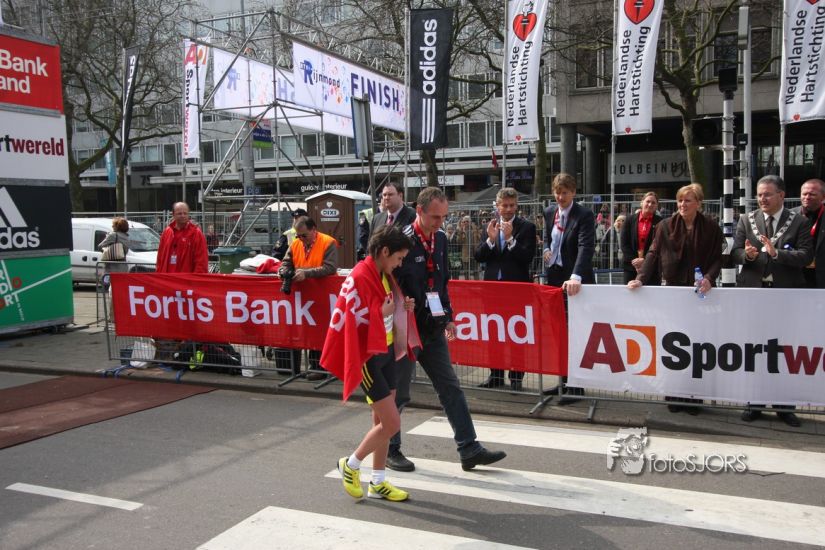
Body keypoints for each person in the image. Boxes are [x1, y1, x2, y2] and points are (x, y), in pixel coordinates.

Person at [387, 186, 507, 473]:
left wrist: (448, 316)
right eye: (435, 217)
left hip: (432, 327)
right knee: (398, 393)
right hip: (406, 329)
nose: (440, 223)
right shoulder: (401, 240)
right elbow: (387, 281)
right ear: (419, 211)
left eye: (443, 217)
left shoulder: (440, 239)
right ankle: (390, 448)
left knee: (451, 387)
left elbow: (441, 282)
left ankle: (469, 448)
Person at [321, 226, 419, 502]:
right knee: (392, 422)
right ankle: (351, 464)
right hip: (368, 356)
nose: (400, 264)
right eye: (398, 258)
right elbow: (353, 317)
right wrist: (381, 312)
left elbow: (385, 306)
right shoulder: (360, 275)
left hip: (386, 350)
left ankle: (377, 482)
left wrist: (401, 307)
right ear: (385, 251)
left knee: (381, 422)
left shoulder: (381, 273)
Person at [628, 183, 722, 415]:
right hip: (673, 292)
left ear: (698, 203)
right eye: (680, 200)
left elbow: (718, 258)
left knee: (697, 345)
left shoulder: (711, 227)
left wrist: (709, 278)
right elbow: (653, 254)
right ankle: (673, 393)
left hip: (699, 294)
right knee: (673, 344)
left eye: (687, 200)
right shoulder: (665, 226)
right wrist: (640, 279)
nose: (682, 204)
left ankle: (694, 397)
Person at [732, 175, 813, 427]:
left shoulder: (799, 221)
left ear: (781, 195)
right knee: (755, 349)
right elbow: (734, 252)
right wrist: (747, 255)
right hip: (754, 294)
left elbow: (805, 256)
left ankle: (784, 406)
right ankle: (754, 402)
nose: (762, 199)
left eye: (767, 194)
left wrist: (778, 254)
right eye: (759, 195)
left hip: (785, 295)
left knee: (784, 350)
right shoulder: (746, 219)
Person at [474, 187, 537, 391]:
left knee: (517, 334)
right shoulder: (489, 226)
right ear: (498, 206)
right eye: (505, 206)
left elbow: (527, 257)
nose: (508, 209)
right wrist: (491, 240)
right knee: (494, 333)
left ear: (516, 206)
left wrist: (510, 240)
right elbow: (479, 256)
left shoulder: (527, 227)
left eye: (512, 205)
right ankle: (496, 375)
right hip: (493, 290)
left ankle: (516, 377)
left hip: (516, 291)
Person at [542, 173, 595, 404]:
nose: (560, 197)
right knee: (558, 333)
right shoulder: (549, 212)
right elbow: (548, 237)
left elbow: (586, 246)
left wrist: (576, 276)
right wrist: (546, 248)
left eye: (565, 192)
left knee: (576, 332)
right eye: (557, 192)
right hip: (554, 278)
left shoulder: (584, 214)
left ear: (573, 192)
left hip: (574, 280)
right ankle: (563, 381)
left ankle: (577, 386)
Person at [279, 216, 339, 381]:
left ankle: (323, 367)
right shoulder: (296, 244)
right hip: (305, 297)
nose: (301, 239)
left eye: (304, 235)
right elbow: (286, 262)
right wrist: (283, 271)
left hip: (323, 295)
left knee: (322, 332)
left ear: (313, 230)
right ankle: (315, 366)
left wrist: (307, 274)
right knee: (310, 331)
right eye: (298, 236)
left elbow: (330, 267)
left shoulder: (328, 243)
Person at [621, 192, 663, 284]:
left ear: (657, 206)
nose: (650, 204)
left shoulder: (661, 222)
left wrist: (645, 260)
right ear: (642, 202)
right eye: (648, 201)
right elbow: (624, 244)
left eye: (653, 203)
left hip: (652, 268)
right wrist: (635, 261)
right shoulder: (629, 220)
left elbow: (660, 246)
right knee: (630, 292)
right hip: (631, 267)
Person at [156, 202, 209, 273]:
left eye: (185, 213)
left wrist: (196, 278)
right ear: (173, 215)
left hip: (185, 279)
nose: (183, 216)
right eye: (179, 213)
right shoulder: (167, 232)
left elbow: (201, 262)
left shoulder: (196, 233)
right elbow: (160, 258)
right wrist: (159, 275)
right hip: (167, 278)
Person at [793, 178, 825, 289]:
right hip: (795, 274)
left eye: (812, 194)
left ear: (823, 197)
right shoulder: (789, 216)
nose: (807, 197)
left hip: (821, 276)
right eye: (804, 194)